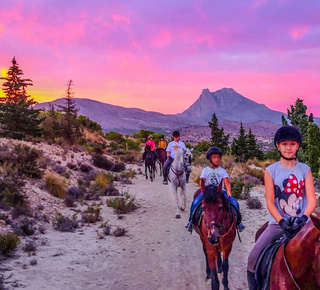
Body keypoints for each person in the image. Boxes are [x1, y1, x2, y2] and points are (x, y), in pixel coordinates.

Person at [247, 125, 317, 289]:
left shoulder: (305, 170)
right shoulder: (271, 171)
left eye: (292, 144)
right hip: (278, 225)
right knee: (252, 259)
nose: (288, 147)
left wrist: (304, 218)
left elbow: (312, 200)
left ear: (298, 146)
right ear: (278, 146)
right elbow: (270, 201)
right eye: (284, 144)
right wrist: (282, 221)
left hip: (302, 225)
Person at [185, 146, 245, 232]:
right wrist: (202, 184)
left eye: (218, 157)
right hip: (208, 192)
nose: (217, 159)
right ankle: (191, 221)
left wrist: (228, 190)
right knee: (195, 202)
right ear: (210, 159)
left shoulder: (222, 171)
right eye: (214, 157)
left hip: (220, 191)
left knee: (235, 203)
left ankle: (238, 223)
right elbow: (201, 182)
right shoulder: (205, 170)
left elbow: (227, 182)